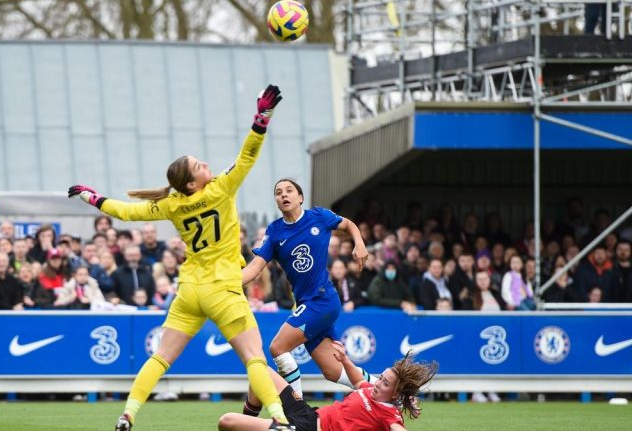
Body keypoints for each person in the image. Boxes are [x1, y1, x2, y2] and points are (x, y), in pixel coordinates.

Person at [68, 84, 293, 430]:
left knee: (160, 358)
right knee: (254, 359)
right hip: (223, 289)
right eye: (199, 165)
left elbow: (126, 213)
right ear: (192, 183)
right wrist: (262, 117)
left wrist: (92, 198)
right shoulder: (221, 189)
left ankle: (128, 413)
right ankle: (278, 420)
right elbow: (248, 155)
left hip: (190, 290)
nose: (206, 164)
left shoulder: (172, 205)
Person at [242, 178, 371, 399]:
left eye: (289, 190)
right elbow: (254, 269)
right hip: (307, 304)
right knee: (333, 372)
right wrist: (223, 283)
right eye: (278, 192)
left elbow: (348, 224)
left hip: (321, 300)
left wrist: (359, 243)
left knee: (277, 348)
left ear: (300, 197)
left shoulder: (319, 216)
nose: (284, 195)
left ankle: (297, 411)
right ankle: (389, 394)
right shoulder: (274, 232)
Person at [218, 341, 438, 431]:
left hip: (307, 430)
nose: (378, 383)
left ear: (396, 393)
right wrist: (344, 360)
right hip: (308, 413)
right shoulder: (371, 390)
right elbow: (358, 381)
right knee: (260, 371)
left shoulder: (389, 415)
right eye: (381, 378)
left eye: (385, 382)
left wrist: (406, 403)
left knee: (226, 422)